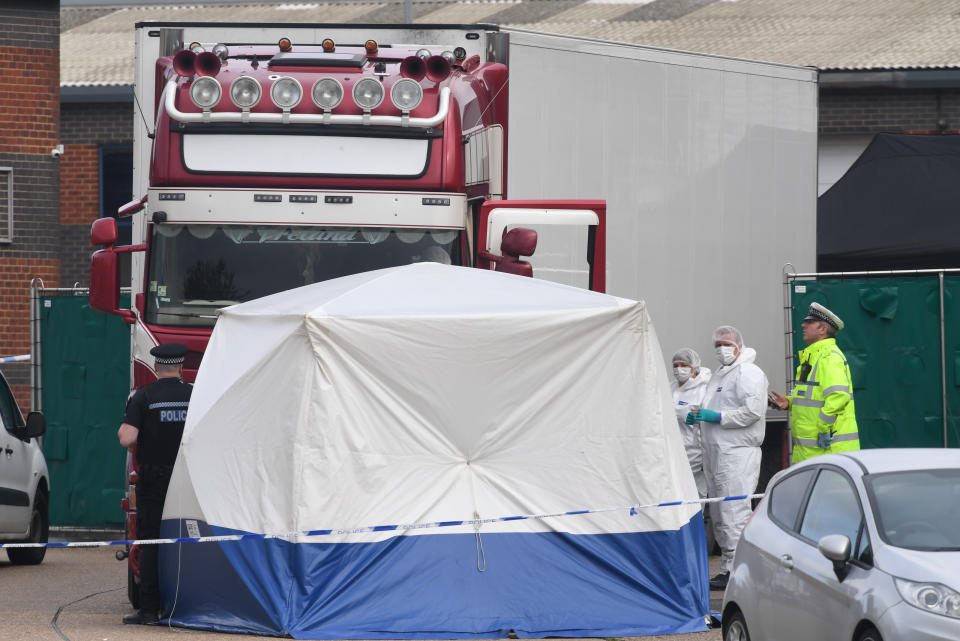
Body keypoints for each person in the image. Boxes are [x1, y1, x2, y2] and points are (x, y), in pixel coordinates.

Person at [686, 326, 767, 591]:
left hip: (737, 454)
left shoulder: (748, 372)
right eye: (717, 344)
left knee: (734, 512)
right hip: (717, 454)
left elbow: (753, 411)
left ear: (739, 345)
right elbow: (715, 407)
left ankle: (739, 571)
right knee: (721, 516)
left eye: (727, 343)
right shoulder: (721, 375)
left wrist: (719, 418)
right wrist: (699, 417)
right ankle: (727, 568)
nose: (721, 348)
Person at [117, 343, 192, 625]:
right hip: (186, 479)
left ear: (157, 368)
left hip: (154, 480)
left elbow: (126, 438)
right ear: (181, 367)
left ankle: (149, 610)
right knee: (188, 538)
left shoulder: (144, 397)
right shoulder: (193, 395)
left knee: (151, 541)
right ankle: (185, 606)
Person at [769, 302, 859, 463]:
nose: (803, 325)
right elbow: (815, 398)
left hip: (827, 452)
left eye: (809, 322)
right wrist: (790, 402)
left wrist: (824, 429)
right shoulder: (814, 356)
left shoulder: (829, 357)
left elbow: (838, 396)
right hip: (813, 452)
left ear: (823, 330)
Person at [669, 348, 712, 498]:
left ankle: (697, 522)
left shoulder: (704, 388)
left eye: (684, 365)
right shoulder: (671, 387)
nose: (679, 369)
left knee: (695, 493)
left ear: (694, 367)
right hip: (673, 449)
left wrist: (694, 417)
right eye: (676, 365)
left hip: (695, 451)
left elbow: (706, 417)